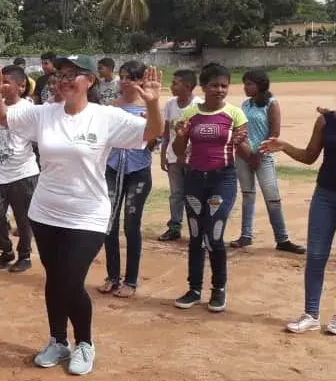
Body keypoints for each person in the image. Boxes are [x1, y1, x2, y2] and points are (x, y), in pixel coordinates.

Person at [0, 57, 163, 376]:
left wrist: (152, 104)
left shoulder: (106, 117)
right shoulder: (43, 114)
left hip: (87, 214)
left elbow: (151, 132)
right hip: (45, 211)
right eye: (61, 76)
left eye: (73, 75)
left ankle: (84, 343)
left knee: (70, 280)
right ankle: (58, 340)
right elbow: (1, 118)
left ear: (90, 81)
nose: (64, 81)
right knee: (54, 280)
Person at [261, 71, 336, 337]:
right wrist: (284, 145)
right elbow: (310, 156)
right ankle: (310, 314)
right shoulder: (325, 121)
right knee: (316, 256)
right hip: (325, 196)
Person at [172, 63, 253, 313]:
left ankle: (218, 289)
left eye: (224, 86)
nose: (220, 90)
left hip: (223, 179)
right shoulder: (189, 115)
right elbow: (178, 152)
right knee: (196, 234)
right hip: (195, 179)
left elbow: (244, 149)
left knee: (214, 234)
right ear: (204, 87)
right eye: (214, 85)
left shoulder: (235, 114)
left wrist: (256, 154)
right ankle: (194, 288)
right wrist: (181, 136)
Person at [230, 70, 305, 254]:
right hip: (243, 155)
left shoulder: (272, 103)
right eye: (245, 83)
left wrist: (259, 155)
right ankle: (245, 235)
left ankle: (282, 238)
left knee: (272, 199)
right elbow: (241, 130)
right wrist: (247, 153)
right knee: (247, 195)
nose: (245, 87)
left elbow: (274, 133)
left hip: (264, 157)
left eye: (249, 84)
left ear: (260, 85)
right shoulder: (245, 104)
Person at [98, 61, 155, 297]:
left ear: (141, 80)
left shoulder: (149, 107)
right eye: (122, 76)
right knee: (108, 223)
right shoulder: (111, 107)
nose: (124, 81)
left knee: (131, 225)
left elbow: (155, 141)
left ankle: (130, 281)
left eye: (130, 77)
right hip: (112, 169)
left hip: (138, 171)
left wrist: (149, 119)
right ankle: (113, 276)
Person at [0, 65, 38, 273]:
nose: (2, 86)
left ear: (21, 86)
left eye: (6, 82)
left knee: (23, 218)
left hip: (23, 172)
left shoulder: (28, 109)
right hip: (0, 173)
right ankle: (6, 251)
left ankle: (24, 255)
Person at [158, 69, 200, 242]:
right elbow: (167, 131)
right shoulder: (170, 104)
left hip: (193, 159)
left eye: (175, 83)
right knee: (176, 193)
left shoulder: (198, 105)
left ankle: (196, 227)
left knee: (194, 194)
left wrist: (188, 154)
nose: (171, 86)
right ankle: (175, 227)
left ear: (188, 86)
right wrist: (163, 154)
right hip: (174, 158)